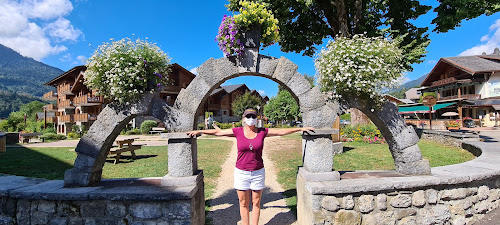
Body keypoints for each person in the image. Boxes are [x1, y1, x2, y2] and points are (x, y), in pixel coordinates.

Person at [187, 108, 314, 225]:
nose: (251, 118)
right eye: (248, 116)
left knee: (256, 202)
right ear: (244, 118)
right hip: (241, 173)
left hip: (258, 172)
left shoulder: (262, 132)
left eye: (253, 116)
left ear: (257, 118)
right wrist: (201, 131)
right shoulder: (237, 131)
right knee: (243, 203)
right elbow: (218, 132)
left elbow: (281, 131)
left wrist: (299, 129)